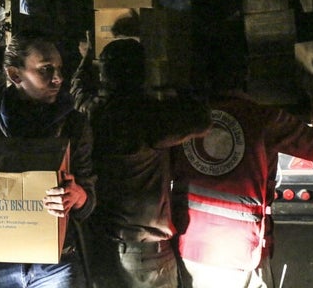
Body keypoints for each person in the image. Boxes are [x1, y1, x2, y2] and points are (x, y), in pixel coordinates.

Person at [171, 52, 313, 288]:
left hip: (191, 245)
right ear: (247, 76)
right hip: (237, 251)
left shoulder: (185, 119)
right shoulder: (263, 118)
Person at [0, 29, 96, 288]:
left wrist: (76, 196)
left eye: (59, 68)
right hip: (1, 258)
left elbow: (88, 197)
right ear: (15, 75)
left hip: (56, 263)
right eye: (45, 69)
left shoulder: (74, 124)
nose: (58, 78)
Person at [71, 36, 211, 288]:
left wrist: (85, 58)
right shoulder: (148, 116)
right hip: (143, 254)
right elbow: (201, 120)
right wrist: (177, 84)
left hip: (103, 245)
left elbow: (77, 90)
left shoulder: (92, 111)